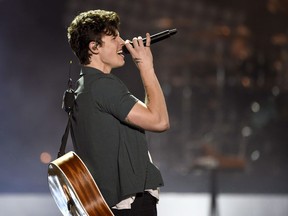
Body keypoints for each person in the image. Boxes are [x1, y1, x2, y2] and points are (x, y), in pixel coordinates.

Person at [67, 9, 170, 216]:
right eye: (113, 37)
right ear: (94, 47)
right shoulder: (103, 86)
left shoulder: (83, 86)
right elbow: (159, 121)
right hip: (128, 205)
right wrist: (146, 66)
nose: (122, 42)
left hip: (105, 203)